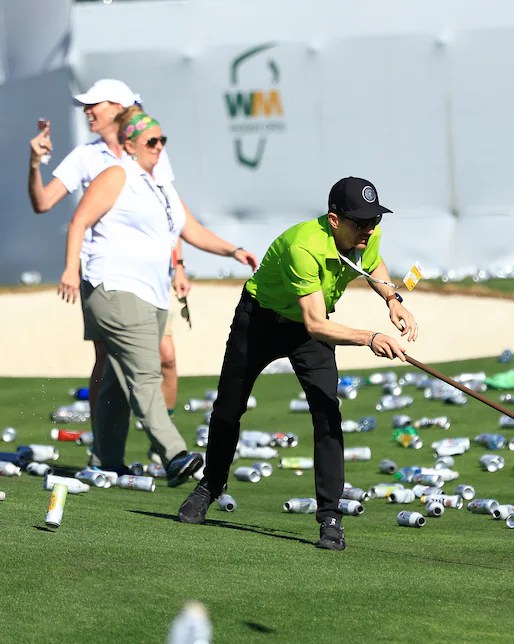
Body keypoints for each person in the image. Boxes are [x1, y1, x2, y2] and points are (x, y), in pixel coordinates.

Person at [177, 177, 417, 550]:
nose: (369, 230)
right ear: (335, 220)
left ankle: (330, 515)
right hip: (260, 322)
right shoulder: (302, 246)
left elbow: (374, 265)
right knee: (228, 408)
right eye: (361, 222)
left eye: (374, 221)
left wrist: (393, 299)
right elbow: (317, 324)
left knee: (327, 412)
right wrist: (370, 338)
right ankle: (211, 484)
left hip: (308, 333)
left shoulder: (365, 236)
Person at [57, 108, 259, 485]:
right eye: (152, 141)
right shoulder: (117, 175)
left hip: (151, 293)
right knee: (146, 372)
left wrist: (234, 251)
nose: (159, 146)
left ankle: (105, 461)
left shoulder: (161, 185)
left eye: (163, 140)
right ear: (129, 144)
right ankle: (173, 453)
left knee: (119, 377)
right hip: (114, 286)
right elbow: (79, 220)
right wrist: (70, 268)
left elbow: (192, 230)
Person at [29, 79, 188, 418]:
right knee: (107, 360)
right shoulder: (84, 156)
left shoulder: (152, 146)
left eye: (94, 105)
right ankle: (106, 444)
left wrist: (179, 264)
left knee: (167, 356)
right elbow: (43, 202)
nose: (87, 111)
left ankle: (161, 443)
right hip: (103, 276)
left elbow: (169, 210)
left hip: (151, 275)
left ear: (117, 108)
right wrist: (34, 164)